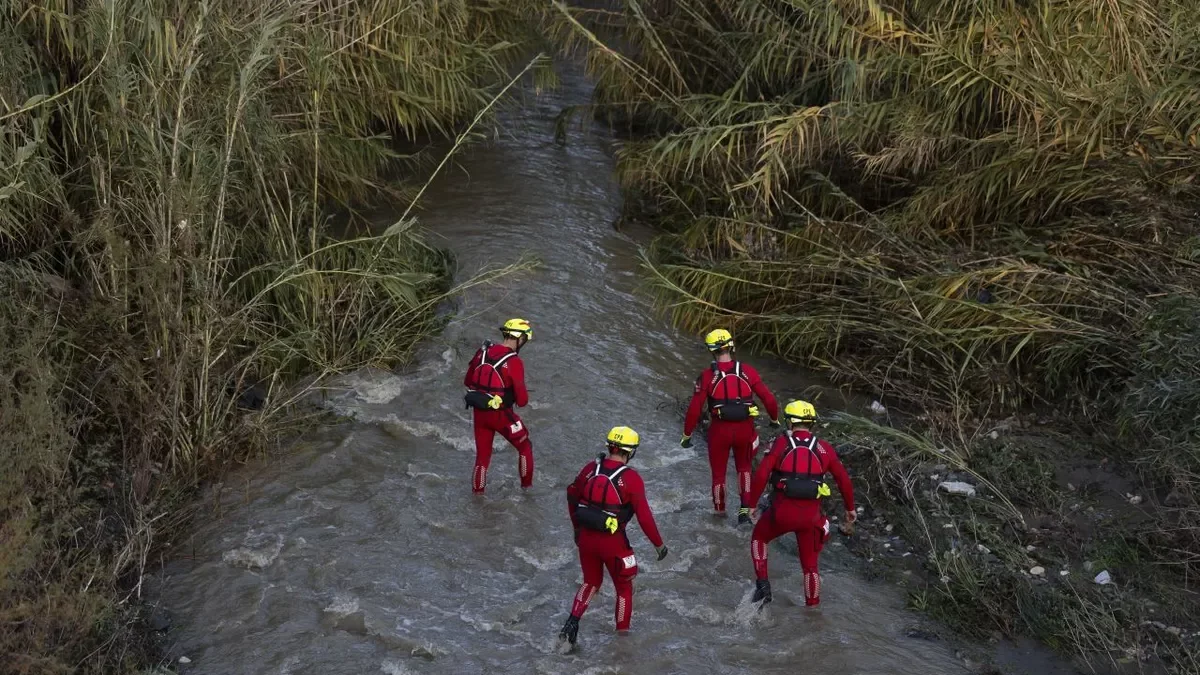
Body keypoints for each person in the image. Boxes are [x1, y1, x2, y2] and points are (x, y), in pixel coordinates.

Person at [559, 426, 669, 647]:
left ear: (610, 446)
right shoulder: (632, 479)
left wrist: (577, 529)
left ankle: (572, 621)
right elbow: (644, 517)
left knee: (590, 582)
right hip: (614, 542)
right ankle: (622, 644)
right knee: (624, 589)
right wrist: (659, 545)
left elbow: (572, 495)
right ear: (630, 451)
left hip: (586, 538)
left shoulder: (590, 468)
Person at [747, 400, 855, 608]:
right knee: (810, 567)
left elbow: (761, 474)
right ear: (812, 423)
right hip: (810, 518)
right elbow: (844, 480)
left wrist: (752, 504)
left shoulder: (781, 444)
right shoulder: (824, 448)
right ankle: (813, 612)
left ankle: (763, 585)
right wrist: (850, 509)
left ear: (790, 422)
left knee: (759, 538)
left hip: (781, 513)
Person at [679, 328, 780, 525]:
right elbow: (769, 399)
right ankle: (744, 511)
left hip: (719, 431)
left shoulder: (707, 377)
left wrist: (687, 435)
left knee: (718, 475)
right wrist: (774, 420)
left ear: (711, 350)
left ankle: (719, 512)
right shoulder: (748, 371)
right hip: (745, 430)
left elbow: (694, 410)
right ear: (730, 346)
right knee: (744, 469)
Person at [462, 318, 534, 493]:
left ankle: (477, 496)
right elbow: (523, 401)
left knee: (482, 459)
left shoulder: (483, 351)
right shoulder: (515, 361)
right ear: (520, 339)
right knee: (525, 447)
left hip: (479, 413)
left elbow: (467, 381)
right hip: (501, 415)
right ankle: (527, 491)